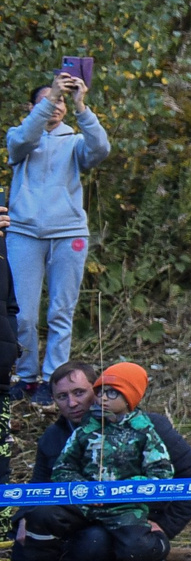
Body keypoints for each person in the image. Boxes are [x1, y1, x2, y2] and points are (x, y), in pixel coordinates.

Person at [12, 360, 191, 561]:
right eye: (62, 396)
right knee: (38, 532)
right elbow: (39, 486)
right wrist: (25, 516)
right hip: (80, 514)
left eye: (79, 393)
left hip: (132, 514)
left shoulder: (149, 427)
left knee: (99, 542)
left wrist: (166, 526)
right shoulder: (53, 438)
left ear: (97, 389)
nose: (72, 403)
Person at [8, 68, 108, 396]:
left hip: (69, 234)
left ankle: (53, 380)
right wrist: (50, 95)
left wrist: (82, 106)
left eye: (60, 101)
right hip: (24, 233)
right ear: (32, 108)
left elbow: (100, 150)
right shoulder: (20, 138)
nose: (55, 105)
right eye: (49, 100)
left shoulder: (75, 141)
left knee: (61, 312)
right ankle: (26, 376)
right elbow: (23, 139)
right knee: (22, 314)